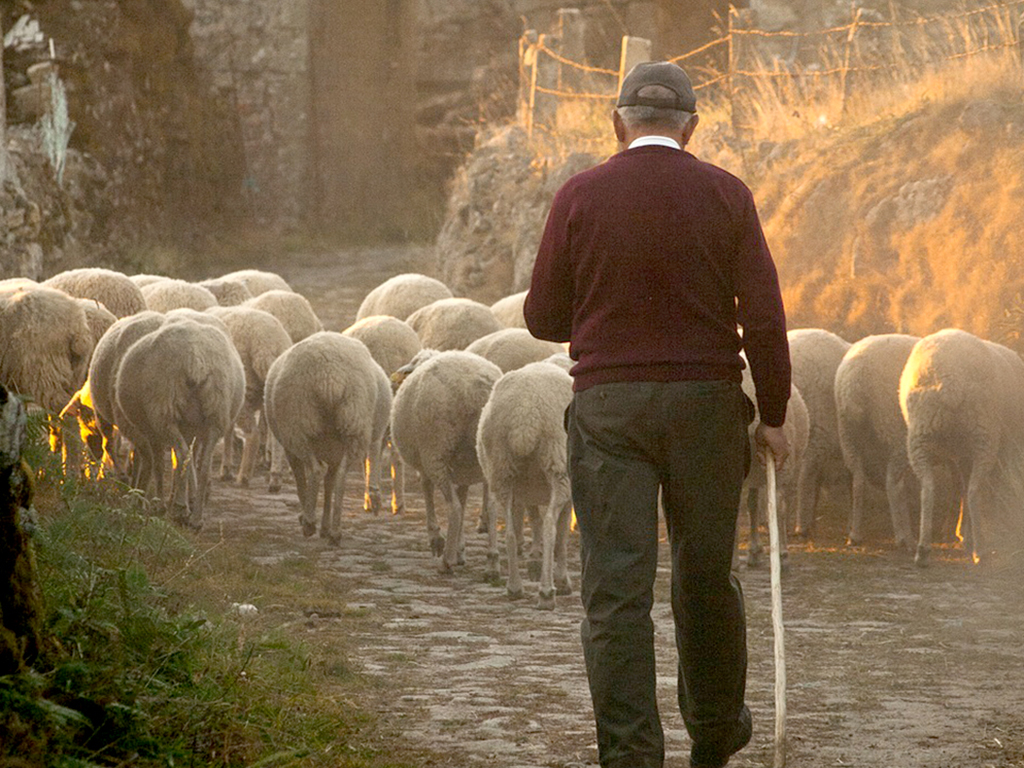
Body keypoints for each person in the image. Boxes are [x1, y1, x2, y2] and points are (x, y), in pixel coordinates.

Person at [523, 61, 792, 768]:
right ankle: (712, 731)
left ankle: (632, 752)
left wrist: (606, 312)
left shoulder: (579, 195)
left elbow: (543, 317)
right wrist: (774, 412)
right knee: (706, 576)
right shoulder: (727, 194)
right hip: (706, 407)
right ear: (691, 127)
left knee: (616, 588)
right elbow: (763, 317)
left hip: (610, 407)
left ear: (618, 124)